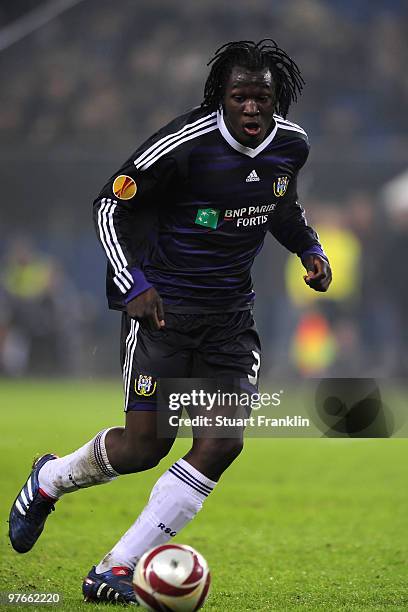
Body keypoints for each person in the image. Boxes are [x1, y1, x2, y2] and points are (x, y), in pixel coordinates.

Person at [9, 40, 331, 605]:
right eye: (241, 97)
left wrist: (309, 249)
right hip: (163, 313)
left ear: (276, 98)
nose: (253, 108)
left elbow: (282, 205)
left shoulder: (292, 146)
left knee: (221, 442)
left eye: (263, 97)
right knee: (143, 448)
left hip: (231, 319)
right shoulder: (185, 144)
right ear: (222, 99)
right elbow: (110, 204)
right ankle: (49, 479)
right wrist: (133, 283)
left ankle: (117, 567)